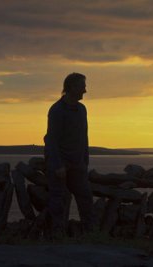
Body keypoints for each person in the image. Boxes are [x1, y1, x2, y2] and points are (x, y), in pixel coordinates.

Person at [44, 72, 94, 236]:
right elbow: (51, 139)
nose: (85, 90)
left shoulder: (81, 109)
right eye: (82, 86)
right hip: (61, 165)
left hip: (78, 165)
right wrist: (58, 165)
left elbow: (84, 136)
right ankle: (57, 236)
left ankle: (90, 234)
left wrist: (85, 161)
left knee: (85, 199)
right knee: (58, 201)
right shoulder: (57, 110)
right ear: (72, 87)